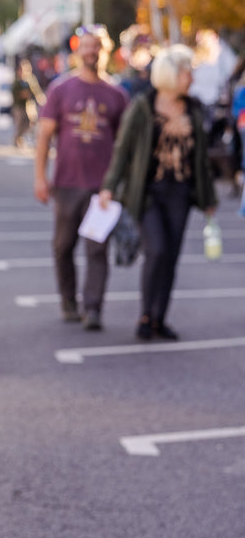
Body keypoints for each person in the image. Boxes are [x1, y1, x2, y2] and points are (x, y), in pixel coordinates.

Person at [99, 45, 218, 341]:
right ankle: (145, 315)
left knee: (172, 256)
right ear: (171, 74)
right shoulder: (143, 106)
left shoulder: (193, 108)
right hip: (148, 192)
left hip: (180, 192)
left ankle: (159, 317)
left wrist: (208, 199)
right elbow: (123, 150)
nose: (191, 77)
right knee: (157, 250)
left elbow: (201, 160)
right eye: (186, 71)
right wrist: (109, 187)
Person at [34, 24, 130, 331]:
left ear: (106, 52)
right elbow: (44, 136)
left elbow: (124, 145)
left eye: (97, 47)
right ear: (77, 50)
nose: (91, 52)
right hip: (66, 183)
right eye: (86, 46)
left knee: (96, 249)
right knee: (63, 246)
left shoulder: (117, 95)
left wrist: (117, 185)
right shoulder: (61, 90)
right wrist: (40, 177)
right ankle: (68, 301)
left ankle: (93, 309)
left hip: (100, 188)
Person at [10, 57, 46, 149]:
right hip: (19, 106)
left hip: (29, 106)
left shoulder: (31, 80)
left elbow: (36, 91)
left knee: (31, 122)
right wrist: (25, 94)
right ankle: (18, 139)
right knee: (20, 124)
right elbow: (16, 94)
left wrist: (41, 99)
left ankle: (23, 139)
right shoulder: (17, 81)